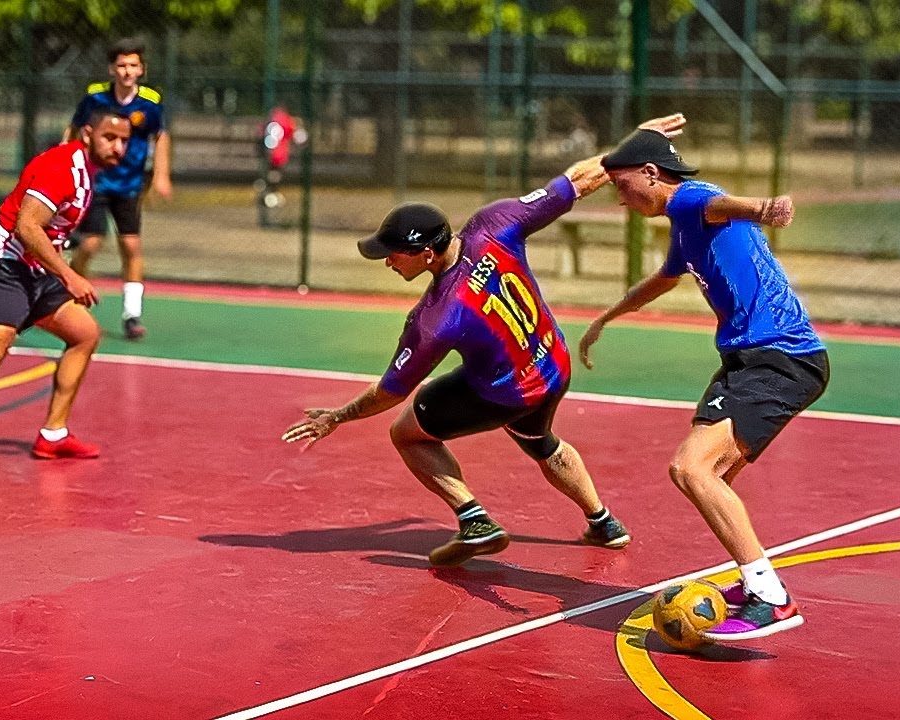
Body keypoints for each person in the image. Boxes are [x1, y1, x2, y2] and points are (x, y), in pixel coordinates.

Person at [281, 114, 688, 567]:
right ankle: (603, 521)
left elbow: (389, 392)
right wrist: (632, 151)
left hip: (506, 392)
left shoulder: (435, 318)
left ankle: (474, 519)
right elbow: (577, 180)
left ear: (427, 253)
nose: (388, 262)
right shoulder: (494, 223)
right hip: (553, 365)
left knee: (407, 434)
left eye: (393, 253)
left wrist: (336, 417)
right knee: (540, 439)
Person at [579, 124, 829, 642]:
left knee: (691, 468)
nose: (622, 202)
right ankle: (753, 580)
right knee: (702, 475)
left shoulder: (692, 199)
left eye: (623, 188)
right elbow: (664, 278)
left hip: (781, 358)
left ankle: (771, 597)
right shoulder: (683, 227)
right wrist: (608, 315)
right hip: (744, 361)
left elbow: (722, 203)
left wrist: (762, 209)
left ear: (651, 174)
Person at [0, 109, 132, 459]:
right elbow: (27, 227)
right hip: (6, 261)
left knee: (83, 334)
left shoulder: (88, 172)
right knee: (0, 338)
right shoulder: (62, 168)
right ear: (87, 134)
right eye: (110, 138)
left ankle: (53, 435)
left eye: (124, 141)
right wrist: (69, 275)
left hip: (37, 269)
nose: (118, 147)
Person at [65, 37, 173, 340]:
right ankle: (74, 296)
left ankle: (132, 314)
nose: (127, 71)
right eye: (122, 65)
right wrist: (65, 166)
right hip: (97, 181)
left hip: (129, 185)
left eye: (133, 65)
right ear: (112, 69)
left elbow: (161, 137)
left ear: (142, 70)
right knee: (90, 245)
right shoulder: (95, 99)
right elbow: (72, 132)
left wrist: (161, 175)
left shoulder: (150, 104)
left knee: (131, 246)